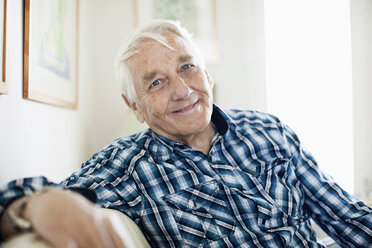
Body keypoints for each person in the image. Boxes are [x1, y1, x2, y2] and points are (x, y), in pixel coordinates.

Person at [0, 19, 371, 248]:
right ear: (136, 108)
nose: (182, 90)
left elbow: (347, 217)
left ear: (207, 74)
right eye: (157, 82)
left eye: (187, 66)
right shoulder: (125, 166)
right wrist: (35, 204)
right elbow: (15, 199)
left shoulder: (269, 130)